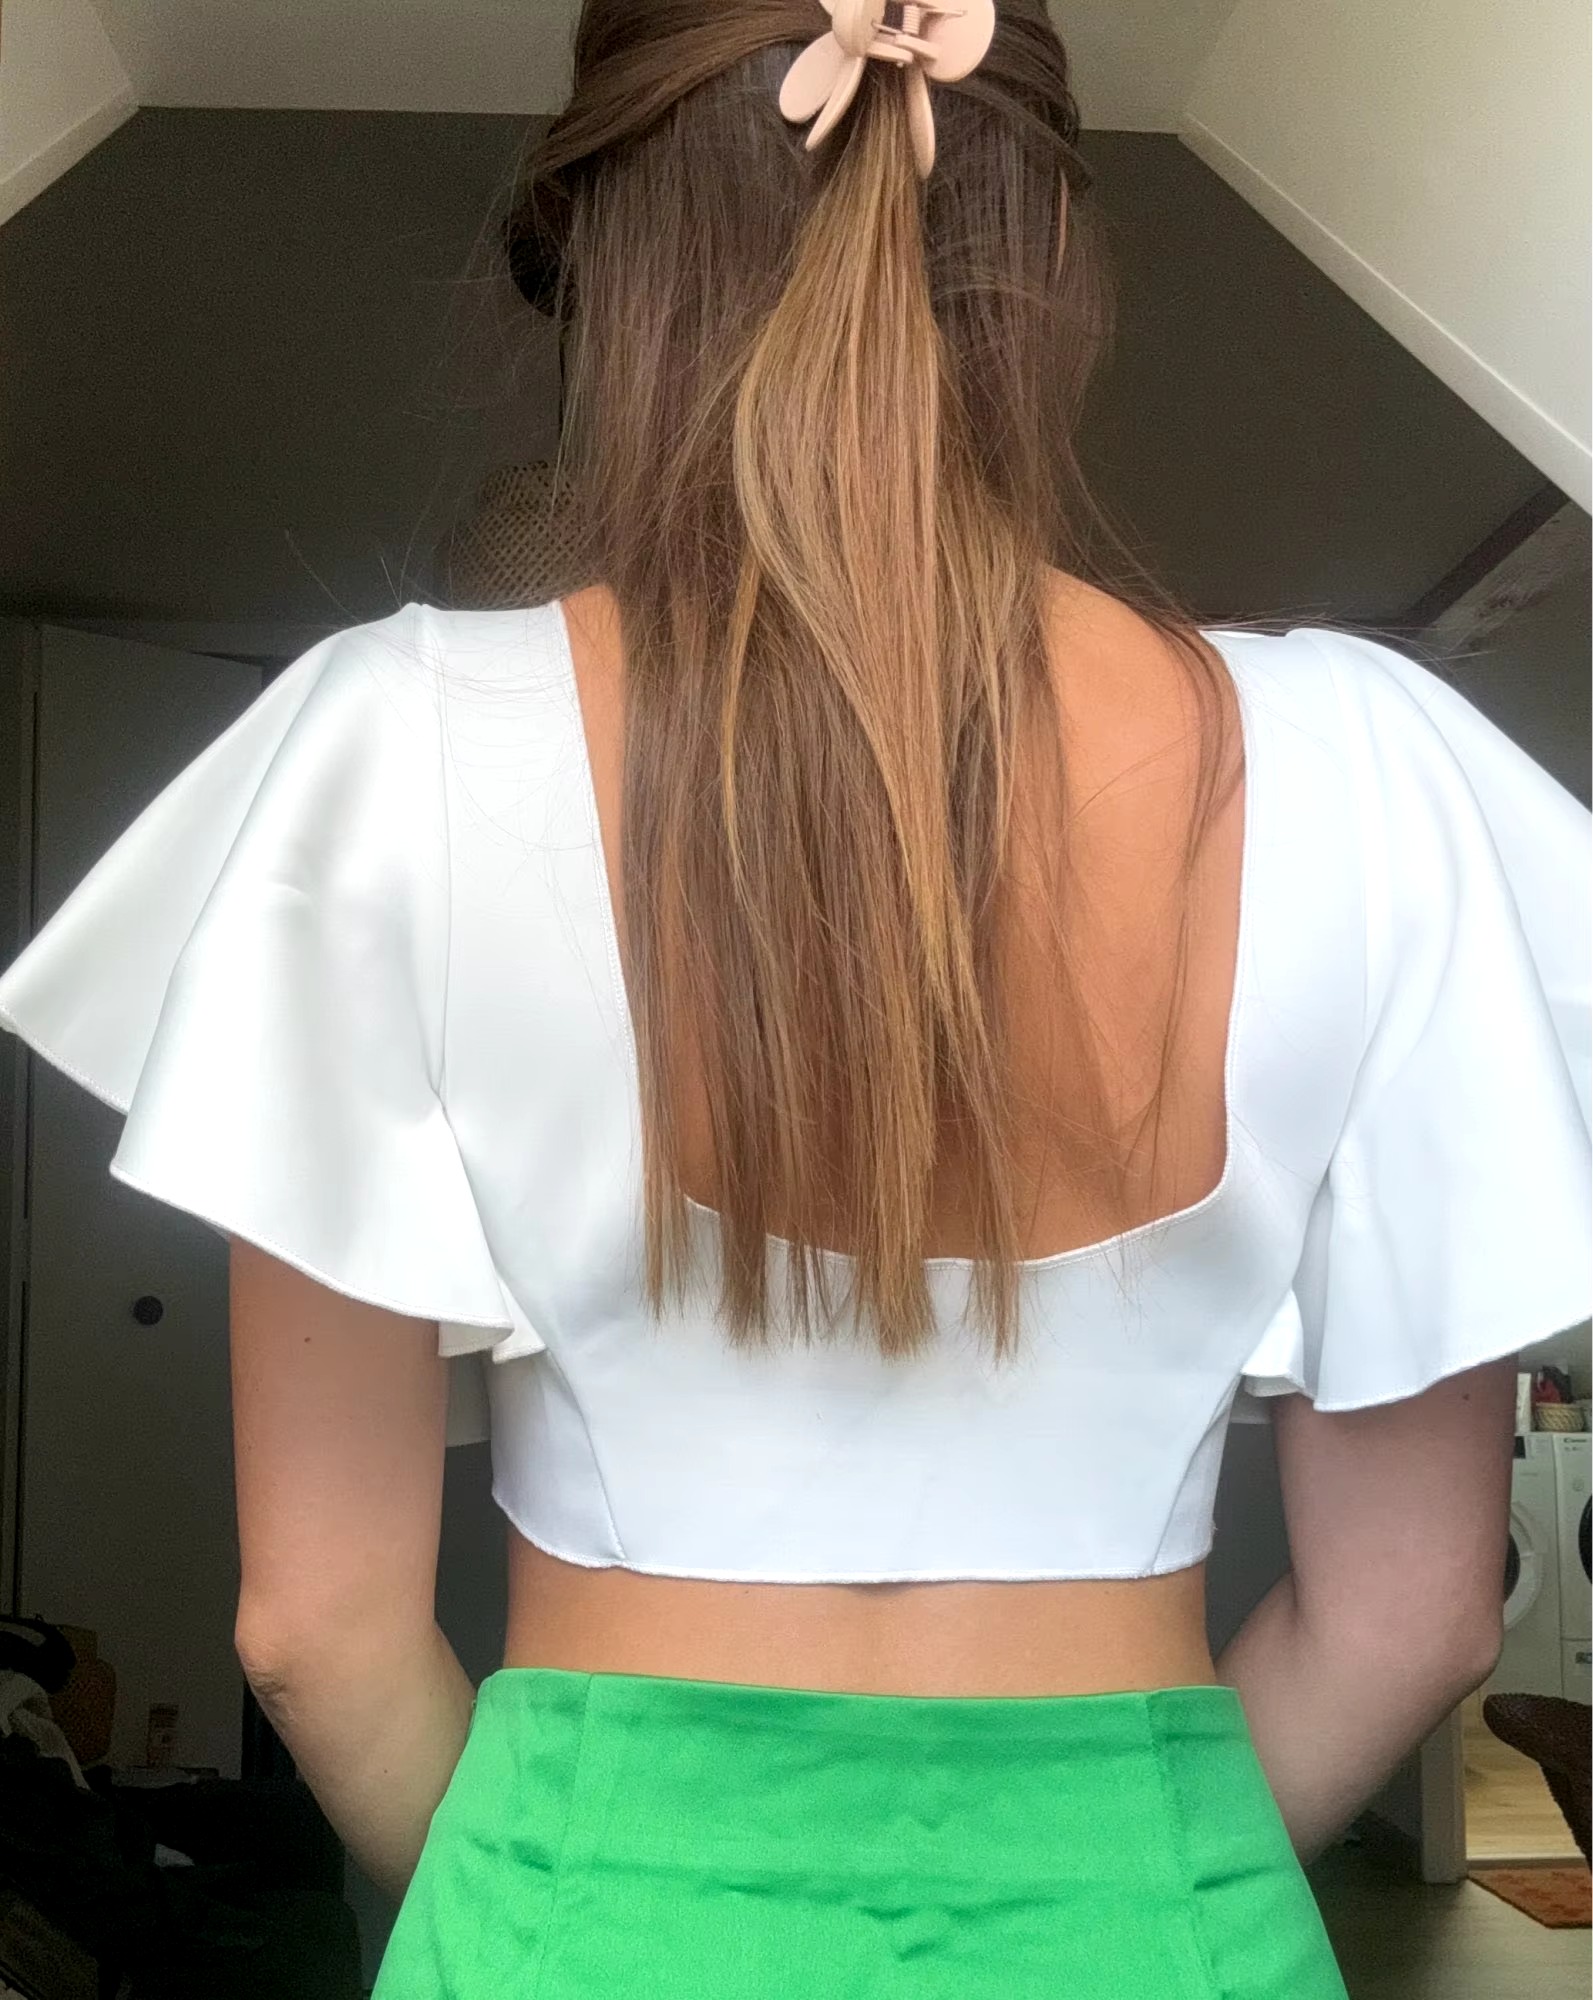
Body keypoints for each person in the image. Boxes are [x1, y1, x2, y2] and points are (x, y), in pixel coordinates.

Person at [1, 3, 1588, 1993]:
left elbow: (316, 1631)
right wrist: (1126, 1882)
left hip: (586, 1921)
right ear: (1054, 259)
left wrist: (557, 1902)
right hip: (1150, 1918)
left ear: (606, 263)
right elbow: (1414, 1614)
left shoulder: (389, 749)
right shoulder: (1368, 769)